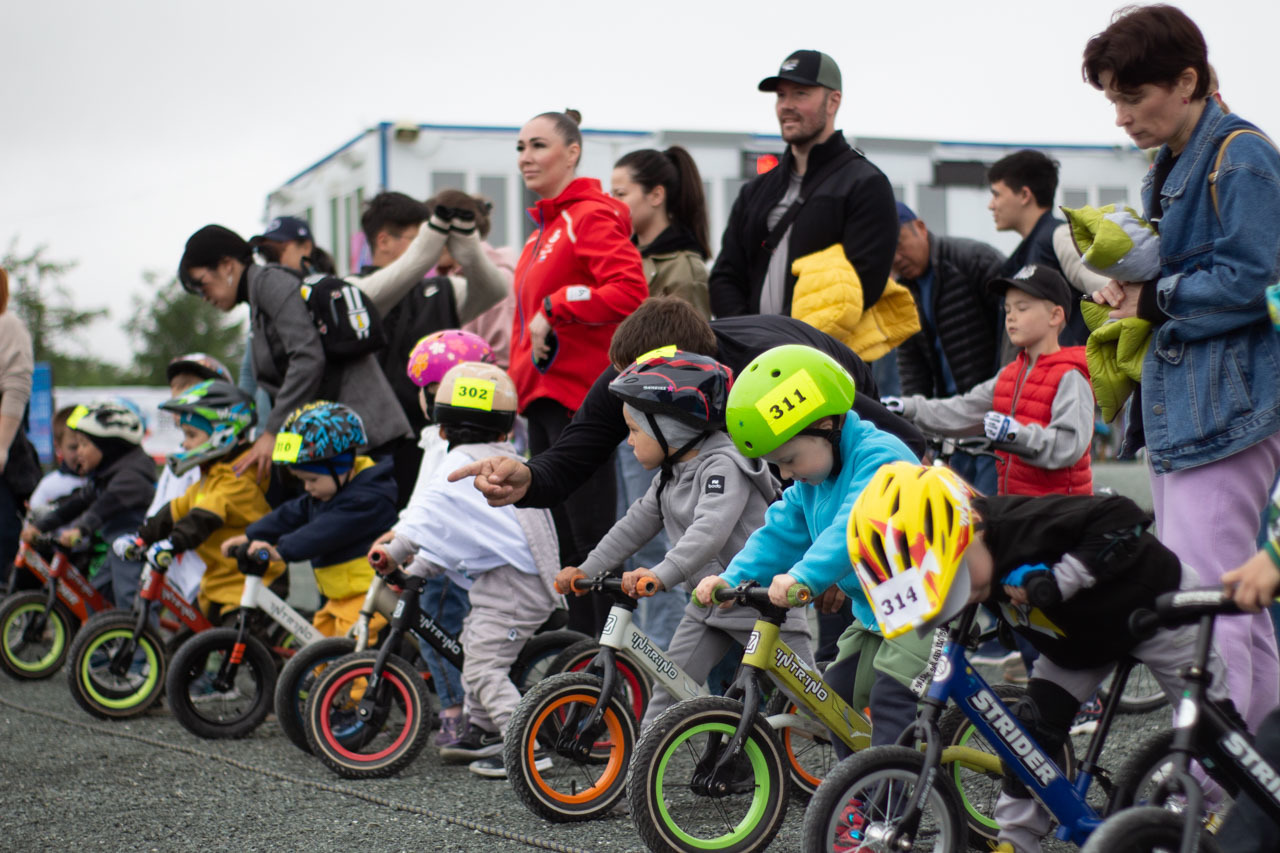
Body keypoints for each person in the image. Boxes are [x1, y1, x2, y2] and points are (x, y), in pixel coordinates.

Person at [848, 461, 1234, 853]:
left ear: (973, 528)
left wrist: (1057, 580)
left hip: (1155, 610)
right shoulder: (973, 557)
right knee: (1028, 733)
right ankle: (1015, 841)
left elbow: (1124, 516)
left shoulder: (1022, 523)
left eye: (957, 580)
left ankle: (1252, 808)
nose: (960, 597)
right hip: (1076, 643)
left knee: (1214, 730)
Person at [1083, 2, 1280, 732]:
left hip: (1225, 413)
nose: (1122, 117)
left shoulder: (1243, 155)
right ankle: (1250, 786)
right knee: (1232, 605)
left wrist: (1154, 297)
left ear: (1188, 80)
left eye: (1133, 97)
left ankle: (1222, 792)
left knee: (1210, 611)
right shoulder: (1178, 160)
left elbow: (1253, 281)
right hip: (1195, 412)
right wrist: (1131, 292)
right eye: (1114, 100)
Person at [451, 296, 924, 512]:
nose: (632, 391)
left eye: (644, 391)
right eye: (625, 381)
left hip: (832, 385)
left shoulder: (766, 372)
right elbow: (574, 457)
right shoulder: (633, 372)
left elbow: (902, 442)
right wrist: (527, 477)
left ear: (690, 375)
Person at [691, 344, 922, 753]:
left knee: (891, 701)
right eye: (775, 464)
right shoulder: (811, 483)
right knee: (836, 699)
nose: (784, 474)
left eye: (788, 459)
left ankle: (890, 802)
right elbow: (778, 531)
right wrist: (733, 576)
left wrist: (804, 576)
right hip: (875, 615)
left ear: (825, 424)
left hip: (928, 609)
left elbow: (854, 525)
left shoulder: (880, 458)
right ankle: (855, 793)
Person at [557, 350, 787, 726]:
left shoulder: (723, 465)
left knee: (807, 693)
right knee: (670, 683)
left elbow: (709, 531)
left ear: (670, 428)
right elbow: (634, 524)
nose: (629, 442)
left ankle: (848, 768)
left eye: (634, 431)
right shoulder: (670, 473)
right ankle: (639, 769)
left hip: (760, 600)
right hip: (708, 600)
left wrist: (661, 574)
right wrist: (586, 569)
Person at [371, 362, 561, 777]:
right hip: (507, 580)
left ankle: (525, 748)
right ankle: (482, 730)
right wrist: (420, 568)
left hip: (514, 587)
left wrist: (395, 550)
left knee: (481, 665)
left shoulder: (456, 465)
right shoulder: (505, 459)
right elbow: (460, 532)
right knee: (474, 646)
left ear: (441, 430)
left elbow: (424, 520)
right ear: (505, 428)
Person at [509, 108, 648, 630]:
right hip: (542, 402)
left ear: (572, 153)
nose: (526, 157)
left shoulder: (589, 214)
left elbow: (631, 291)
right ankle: (586, 658)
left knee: (592, 537)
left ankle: (611, 663)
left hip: (581, 401)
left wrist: (557, 305)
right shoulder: (539, 231)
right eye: (521, 147)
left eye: (539, 145)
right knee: (564, 541)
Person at [178, 224, 411, 483]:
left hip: (365, 431)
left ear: (226, 265)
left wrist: (272, 433)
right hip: (338, 433)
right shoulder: (256, 297)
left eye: (201, 284)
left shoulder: (270, 283)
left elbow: (307, 357)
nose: (203, 296)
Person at [708, 50, 897, 324]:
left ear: (833, 102)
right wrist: (747, 334)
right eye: (781, 95)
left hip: (825, 358)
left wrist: (784, 334)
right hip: (753, 358)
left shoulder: (866, 184)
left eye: (800, 94)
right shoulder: (755, 191)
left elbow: (860, 286)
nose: (786, 105)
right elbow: (725, 276)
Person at [350, 191, 511, 506]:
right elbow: (371, 299)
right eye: (416, 238)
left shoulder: (438, 290)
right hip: (375, 445)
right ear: (383, 241)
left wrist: (468, 246)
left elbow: (494, 289)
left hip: (437, 436)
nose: (434, 250)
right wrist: (432, 238)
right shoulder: (347, 292)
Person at [884, 265, 1093, 497]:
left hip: (1060, 513)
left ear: (1055, 316)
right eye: (1007, 309)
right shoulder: (1008, 375)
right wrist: (908, 408)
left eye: (1022, 308)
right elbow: (962, 410)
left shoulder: (1071, 376)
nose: (1011, 316)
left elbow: (1068, 445)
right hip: (1016, 508)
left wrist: (1016, 435)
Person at [391, 329, 498, 748]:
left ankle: (456, 713)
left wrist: (402, 535)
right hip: (453, 551)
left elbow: (428, 499)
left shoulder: (444, 442)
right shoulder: (469, 438)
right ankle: (469, 708)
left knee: (435, 631)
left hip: (442, 555)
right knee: (451, 633)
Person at [222, 401, 396, 638]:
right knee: (318, 649)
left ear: (341, 467)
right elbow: (293, 512)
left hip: (368, 598)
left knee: (352, 661)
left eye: (312, 479)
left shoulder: (368, 499)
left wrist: (281, 550)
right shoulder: (331, 491)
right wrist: (253, 534)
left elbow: (324, 531)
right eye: (302, 479)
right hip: (340, 597)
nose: (307, 487)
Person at [120, 380, 281, 618]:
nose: (185, 443)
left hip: (252, 583)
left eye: (191, 435)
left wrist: (173, 543)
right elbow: (177, 508)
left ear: (223, 432)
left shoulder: (238, 478)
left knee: (239, 649)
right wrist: (142, 537)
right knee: (184, 645)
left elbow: (203, 518)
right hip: (217, 585)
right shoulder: (212, 474)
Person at [892, 201, 1006, 494]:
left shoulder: (973, 259)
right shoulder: (899, 294)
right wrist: (915, 437)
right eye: (886, 253)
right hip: (950, 428)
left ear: (920, 227)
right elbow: (911, 370)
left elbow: (1015, 328)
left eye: (899, 243)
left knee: (989, 514)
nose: (896, 258)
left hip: (994, 417)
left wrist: (1006, 392)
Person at [22, 402, 156, 608]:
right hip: (117, 549)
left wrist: (79, 531)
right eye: (76, 445)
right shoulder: (105, 475)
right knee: (94, 598)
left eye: (84, 444)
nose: (79, 452)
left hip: (133, 549)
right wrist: (39, 526)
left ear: (107, 446)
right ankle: (102, 638)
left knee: (130, 602)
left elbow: (100, 509)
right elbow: (76, 504)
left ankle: (144, 638)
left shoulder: (130, 478)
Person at [138, 353, 236, 603]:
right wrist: (144, 535)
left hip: (209, 571)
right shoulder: (180, 456)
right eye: (176, 388)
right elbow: (164, 504)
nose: (180, 395)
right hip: (171, 561)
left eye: (191, 387)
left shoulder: (221, 461)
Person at [987, 149, 1086, 349]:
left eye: (996, 195)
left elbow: (1111, 295)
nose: (991, 205)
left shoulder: (1060, 236)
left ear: (1024, 195)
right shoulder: (1020, 257)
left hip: (1073, 374)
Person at [611, 146, 712, 318]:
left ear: (656, 195)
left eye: (621, 194)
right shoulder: (617, 257)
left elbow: (692, 341)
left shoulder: (685, 268)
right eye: (611, 195)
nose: (612, 203)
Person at [0, 266, 36, 584]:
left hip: (5, 461)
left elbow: (16, 387)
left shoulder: (7, 325)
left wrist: (1, 446)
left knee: (4, 547)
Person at [27, 406, 88, 513]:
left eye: (86, 445)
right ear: (58, 446)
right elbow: (32, 524)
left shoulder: (106, 481)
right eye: (73, 447)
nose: (80, 452)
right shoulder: (48, 486)